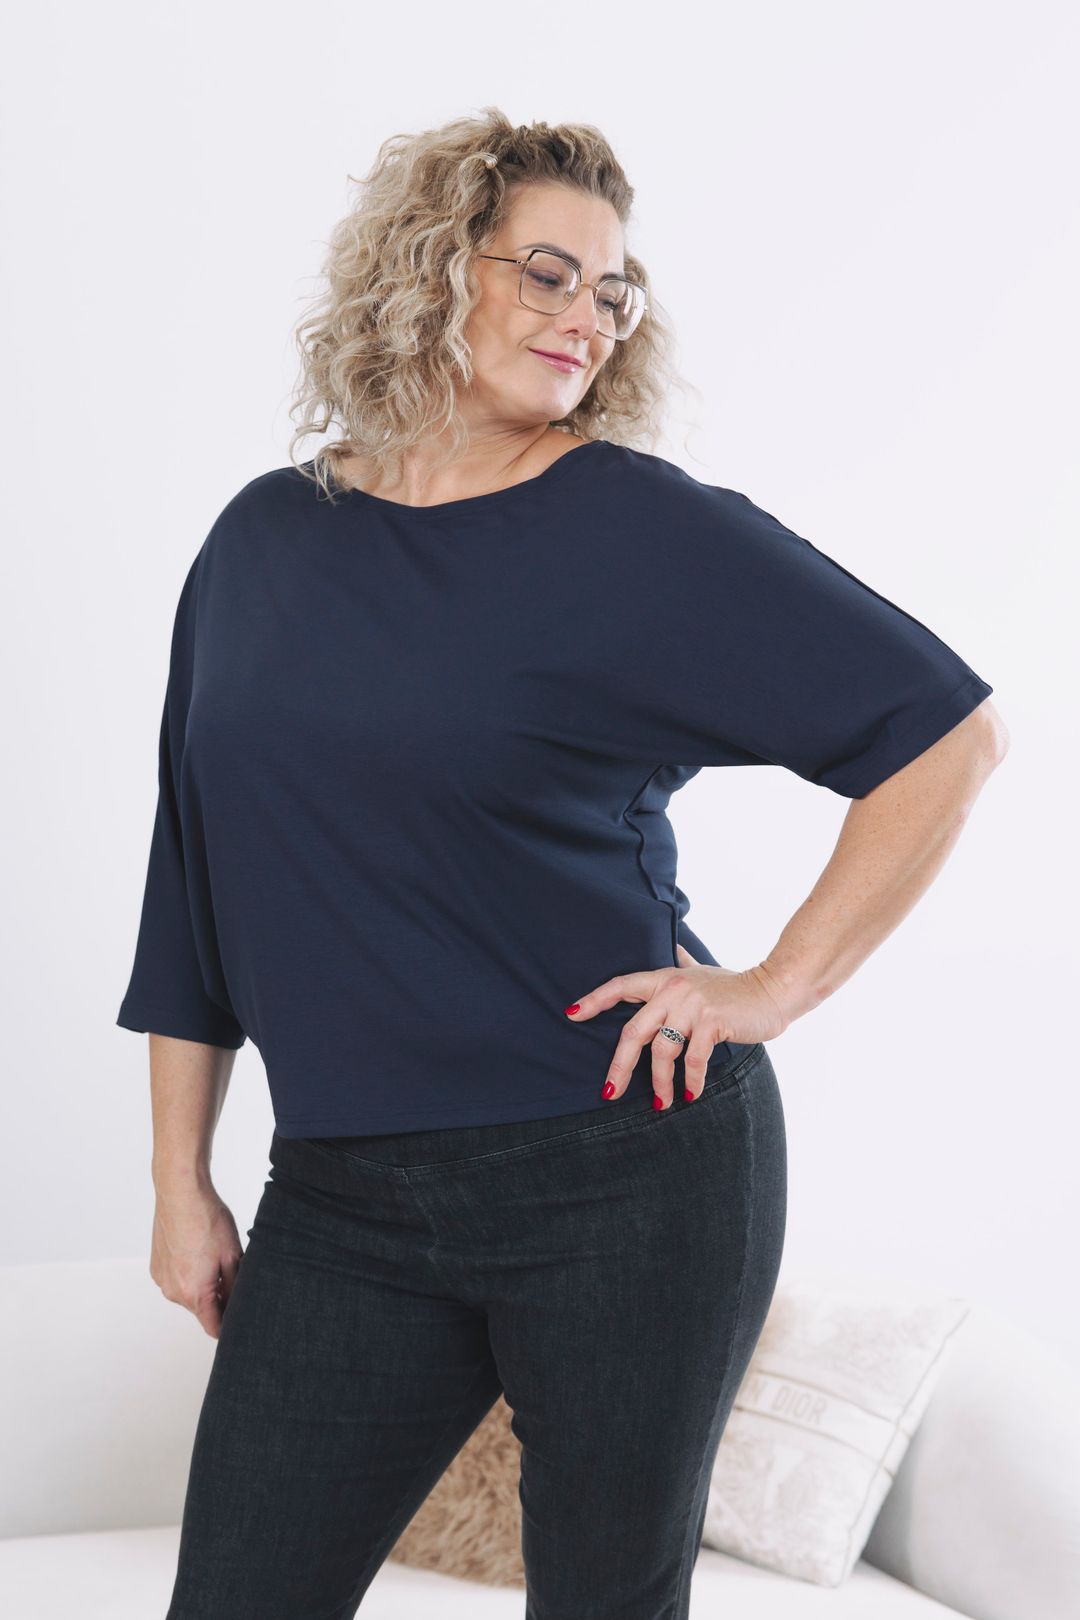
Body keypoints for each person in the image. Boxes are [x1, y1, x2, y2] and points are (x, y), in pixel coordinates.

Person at [116, 109, 1008, 1620]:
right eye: (546, 273)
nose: (585, 315)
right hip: (342, 1198)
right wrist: (176, 1180)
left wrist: (773, 987)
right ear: (426, 268)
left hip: (627, 1174)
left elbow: (946, 736)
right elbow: (191, 879)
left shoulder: (642, 532)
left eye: (611, 289)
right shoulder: (263, 541)